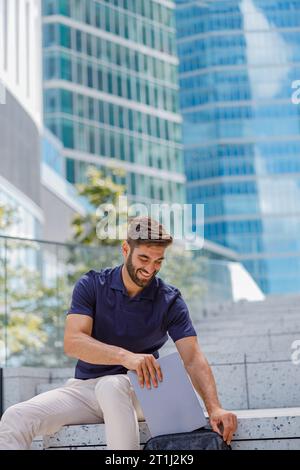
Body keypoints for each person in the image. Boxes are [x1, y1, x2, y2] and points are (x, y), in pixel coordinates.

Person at [0, 216, 237, 450]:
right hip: (86, 390)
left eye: (158, 261)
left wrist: (214, 407)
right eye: (144, 258)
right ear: (125, 249)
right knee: (16, 417)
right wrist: (126, 357)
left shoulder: (170, 300)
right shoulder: (92, 285)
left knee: (111, 387)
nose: (150, 268)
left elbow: (193, 358)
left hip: (142, 392)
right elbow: (73, 341)